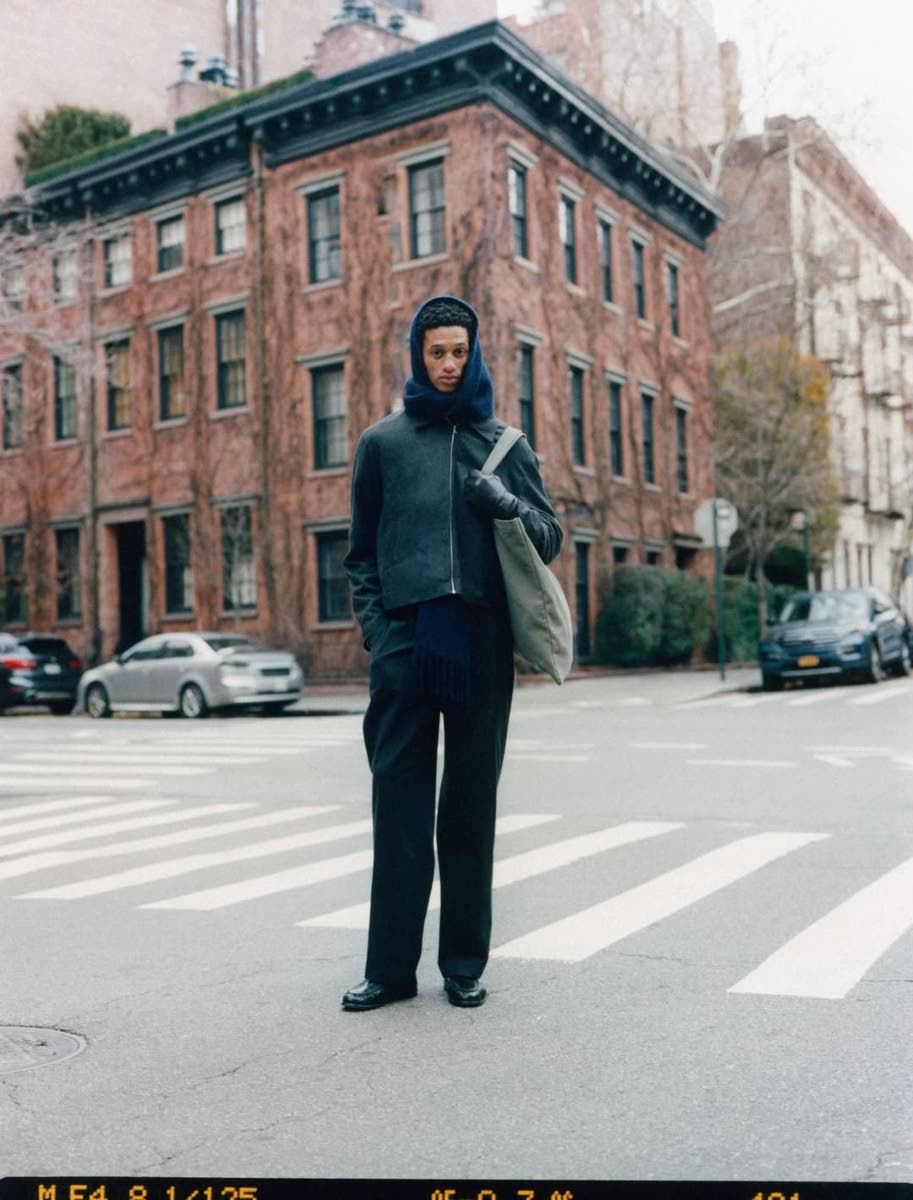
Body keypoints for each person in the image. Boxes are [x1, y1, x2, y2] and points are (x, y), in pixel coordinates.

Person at [342, 295, 563, 1011]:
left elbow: (550, 538)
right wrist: (380, 635)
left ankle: (463, 962)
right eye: (435, 351)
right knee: (398, 812)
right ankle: (389, 972)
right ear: (418, 354)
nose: (446, 364)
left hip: (481, 644)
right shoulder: (382, 444)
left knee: (468, 810)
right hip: (405, 648)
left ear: (473, 354)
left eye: (458, 352)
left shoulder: (504, 443)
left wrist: (507, 502)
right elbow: (359, 555)